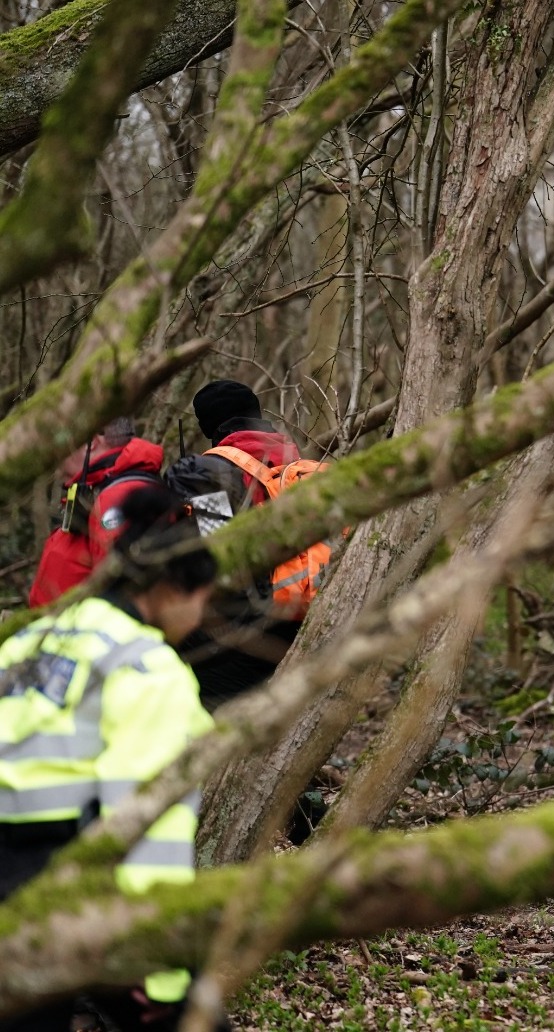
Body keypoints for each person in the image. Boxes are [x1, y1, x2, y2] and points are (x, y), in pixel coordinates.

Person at [0, 486, 217, 1032]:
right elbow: (148, 824)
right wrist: (160, 969)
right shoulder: (149, 669)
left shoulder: (32, 639)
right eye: (204, 599)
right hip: (50, 882)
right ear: (174, 590)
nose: (201, 617)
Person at [167, 380, 306, 708]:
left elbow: (217, 557)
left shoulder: (207, 472)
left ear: (208, 426)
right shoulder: (295, 464)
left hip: (240, 629)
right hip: (301, 615)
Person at [28, 417, 164, 607]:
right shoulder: (99, 490)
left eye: (60, 445)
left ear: (91, 442)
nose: (55, 459)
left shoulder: (119, 497)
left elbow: (121, 592)